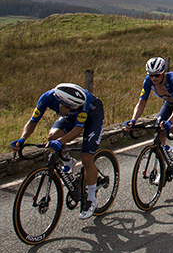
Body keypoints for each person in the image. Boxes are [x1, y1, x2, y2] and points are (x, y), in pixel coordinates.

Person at [11, 83, 105, 219]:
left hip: (93, 116)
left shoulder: (83, 103)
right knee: (52, 136)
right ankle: (68, 161)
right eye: (73, 107)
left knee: (86, 158)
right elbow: (33, 121)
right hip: (71, 116)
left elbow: (78, 130)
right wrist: (22, 139)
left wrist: (60, 142)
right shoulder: (47, 98)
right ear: (63, 104)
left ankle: (91, 200)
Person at [125, 57, 173, 165]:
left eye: (157, 75)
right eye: (151, 75)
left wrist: (170, 121)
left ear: (164, 72)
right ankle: (166, 156)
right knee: (159, 128)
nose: (154, 78)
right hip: (169, 103)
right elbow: (142, 103)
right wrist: (133, 120)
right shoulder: (148, 82)